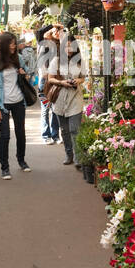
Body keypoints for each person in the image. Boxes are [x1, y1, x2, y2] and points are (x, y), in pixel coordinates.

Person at [46, 27, 91, 180]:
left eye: (71, 45)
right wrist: (62, 82)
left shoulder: (79, 62)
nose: (69, 48)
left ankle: (78, 159)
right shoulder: (56, 60)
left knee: (75, 129)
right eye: (66, 45)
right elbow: (50, 79)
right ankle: (68, 154)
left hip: (75, 99)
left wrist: (77, 81)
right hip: (59, 100)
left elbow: (83, 78)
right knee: (64, 130)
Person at [0, 31, 30, 179]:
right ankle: (5, 167)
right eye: (11, 43)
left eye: (14, 43)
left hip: (18, 101)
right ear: (4, 44)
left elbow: (28, 77)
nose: (14, 46)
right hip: (2, 104)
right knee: (5, 136)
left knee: (20, 133)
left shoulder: (19, 58)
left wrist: (24, 74)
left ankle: (21, 160)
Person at [35, 24, 61, 145]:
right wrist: (53, 25)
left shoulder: (58, 45)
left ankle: (55, 135)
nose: (56, 32)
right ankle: (46, 135)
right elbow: (40, 31)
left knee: (55, 108)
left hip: (55, 80)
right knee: (45, 108)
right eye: (54, 31)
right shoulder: (42, 43)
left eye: (57, 31)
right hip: (44, 81)